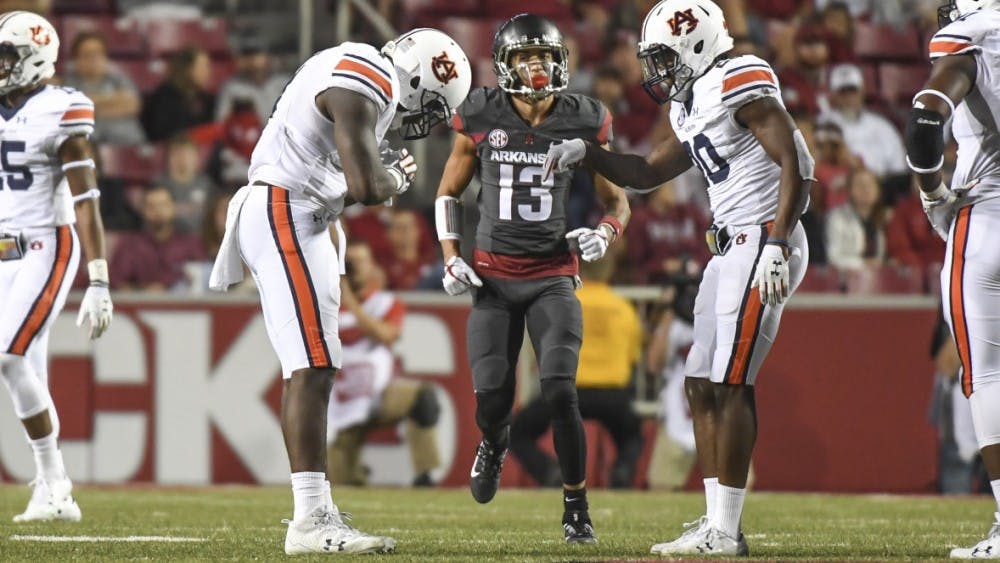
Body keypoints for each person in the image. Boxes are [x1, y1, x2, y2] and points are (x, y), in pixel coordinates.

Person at [544, 0, 814, 555]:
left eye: (665, 57)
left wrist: (780, 242)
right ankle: (717, 522)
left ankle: (725, 530)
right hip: (731, 245)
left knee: (731, 382)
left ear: (698, 46)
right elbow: (647, 170)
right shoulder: (693, 104)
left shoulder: (739, 77)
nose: (657, 72)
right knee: (697, 382)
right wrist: (589, 154)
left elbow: (797, 164)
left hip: (764, 236)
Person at [208, 28, 470, 555]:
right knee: (311, 365)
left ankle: (315, 511)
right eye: (433, 106)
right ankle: (309, 518)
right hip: (287, 211)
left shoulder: (355, 66)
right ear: (417, 80)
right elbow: (370, 187)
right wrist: (393, 179)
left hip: (302, 212)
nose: (424, 120)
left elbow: (338, 179)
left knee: (315, 364)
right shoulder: (367, 74)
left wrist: (373, 182)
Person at [434, 13, 630, 544]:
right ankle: (494, 441)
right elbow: (448, 192)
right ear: (504, 64)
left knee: (562, 390)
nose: (537, 66)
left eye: (544, 55)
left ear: (561, 60)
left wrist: (606, 232)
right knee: (492, 401)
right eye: (524, 57)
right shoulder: (479, 112)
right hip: (493, 282)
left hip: (552, 277)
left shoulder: (586, 118)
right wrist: (451, 255)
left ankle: (576, 508)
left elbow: (618, 198)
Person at [0, 11, 113, 522]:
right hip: (3, 251)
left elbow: (85, 196)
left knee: (8, 356)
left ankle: (56, 481)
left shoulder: (60, 109)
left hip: (49, 243)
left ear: (34, 58)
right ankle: (54, 490)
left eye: (6, 57)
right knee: (25, 366)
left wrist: (98, 277)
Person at [903, 0, 1000, 557]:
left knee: (986, 375)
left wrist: (933, 192)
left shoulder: (970, 39)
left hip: (986, 215)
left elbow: (924, 123)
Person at [509, 255, 643, 490]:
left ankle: (549, 471)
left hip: (567, 389)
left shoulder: (560, 303)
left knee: (516, 432)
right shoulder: (624, 309)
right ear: (609, 269)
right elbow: (633, 357)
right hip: (613, 394)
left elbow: (540, 350)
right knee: (632, 435)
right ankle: (621, 471)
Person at [326, 240, 441, 487]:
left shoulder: (385, 303)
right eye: (349, 262)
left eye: (359, 262)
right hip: (341, 396)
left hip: (380, 393)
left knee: (423, 398)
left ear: (372, 267)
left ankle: (426, 474)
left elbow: (386, 334)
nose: (353, 268)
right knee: (343, 483)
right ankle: (355, 476)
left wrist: (351, 302)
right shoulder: (325, 305)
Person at [110, 186, 207, 291]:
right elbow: (118, 282)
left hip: (183, 304)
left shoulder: (191, 243)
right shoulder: (129, 244)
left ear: (174, 207)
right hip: (142, 303)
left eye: (163, 205)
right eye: (151, 206)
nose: (158, 210)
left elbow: (203, 278)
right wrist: (144, 292)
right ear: (143, 211)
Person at [821, 63, 907, 179]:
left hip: (884, 185)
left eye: (852, 90)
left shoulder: (881, 126)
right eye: (843, 92)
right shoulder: (824, 123)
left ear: (862, 91)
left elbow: (898, 167)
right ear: (833, 95)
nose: (849, 97)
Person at [61, 32, 145, 145]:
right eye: (87, 55)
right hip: (88, 146)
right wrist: (114, 100)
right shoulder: (68, 82)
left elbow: (133, 106)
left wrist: (92, 105)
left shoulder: (118, 78)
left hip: (127, 142)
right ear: (76, 60)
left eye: (98, 54)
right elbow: (72, 110)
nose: (93, 59)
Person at [141, 46, 215, 142]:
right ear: (187, 68)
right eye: (204, 66)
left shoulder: (207, 99)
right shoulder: (162, 99)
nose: (208, 72)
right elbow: (161, 135)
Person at [215, 38, 289, 125]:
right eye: (246, 55)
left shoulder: (284, 83)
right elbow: (221, 123)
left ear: (268, 57)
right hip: (244, 136)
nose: (251, 60)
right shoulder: (232, 87)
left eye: (256, 54)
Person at [825, 168, 887, 272]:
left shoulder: (883, 218)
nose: (866, 189)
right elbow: (833, 257)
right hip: (845, 279)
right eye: (860, 185)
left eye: (870, 184)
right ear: (849, 190)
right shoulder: (836, 218)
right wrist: (863, 264)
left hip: (876, 279)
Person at [154, 133, 218, 232]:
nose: (182, 158)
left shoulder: (207, 184)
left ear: (196, 157)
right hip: (169, 241)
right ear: (168, 158)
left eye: (186, 154)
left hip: (201, 240)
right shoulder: (158, 184)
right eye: (176, 153)